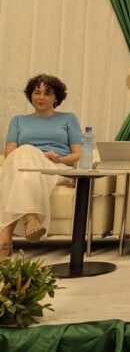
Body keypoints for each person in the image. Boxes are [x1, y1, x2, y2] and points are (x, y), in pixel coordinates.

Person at [0, 74, 82, 258]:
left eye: (47, 93)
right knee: (25, 153)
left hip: (54, 167)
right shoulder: (18, 120)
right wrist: (38, 154)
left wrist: (59, 159)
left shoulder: (68, 119)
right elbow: (10, 153)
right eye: (37, 92)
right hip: (25, 166)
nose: (41, 97)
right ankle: (30, 217)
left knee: (25, 152)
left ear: (56, 97)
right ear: (30, 95)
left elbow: (79, 154)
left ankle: (4, 236)